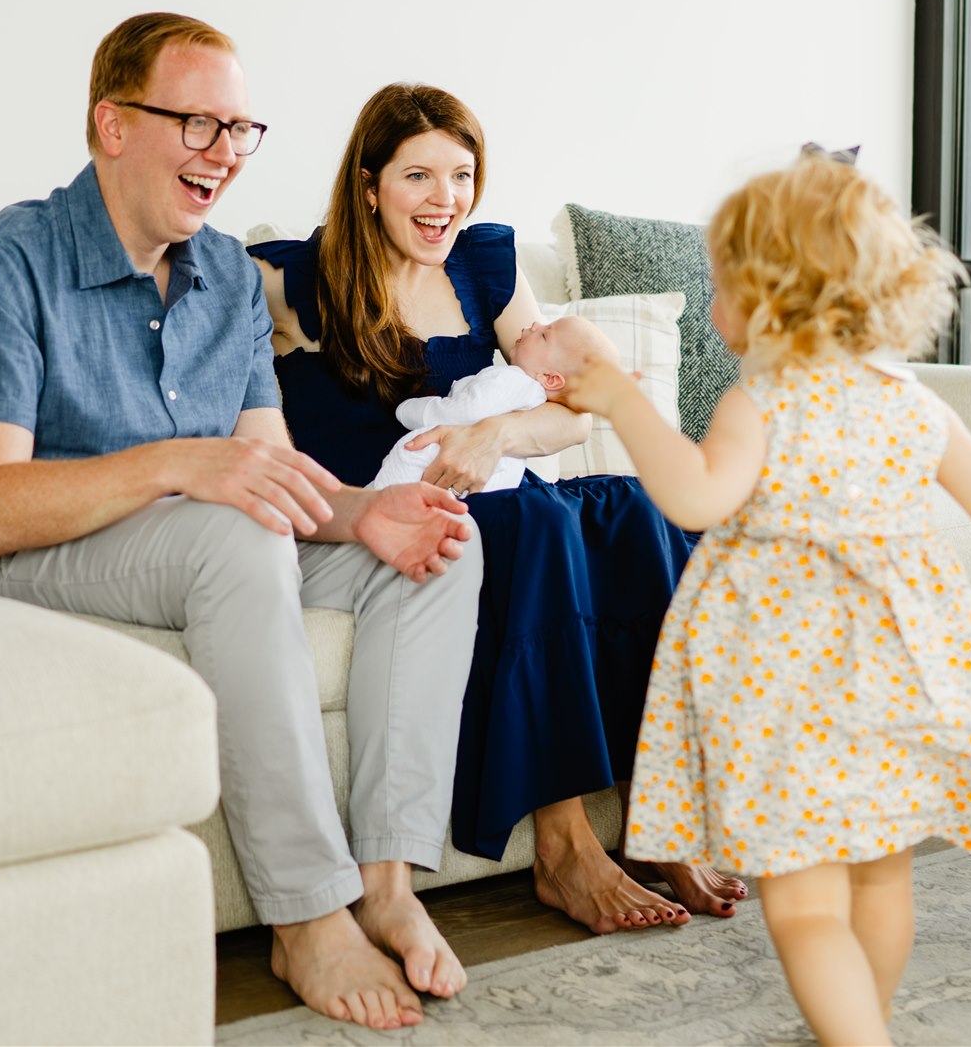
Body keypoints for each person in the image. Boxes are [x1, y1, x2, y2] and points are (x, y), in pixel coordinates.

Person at [0, 14, 481, 1032]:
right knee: (231, 533)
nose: (223, 155)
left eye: (240, 129)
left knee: (434, 545)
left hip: (200, 548)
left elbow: (270, 476)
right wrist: (179, 464)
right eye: (197, 124)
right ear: (113, 124)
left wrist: (364, 515)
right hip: (26, 555)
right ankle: (305, 910)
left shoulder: (226, 281)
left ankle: (386, 881)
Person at [556, 148, 971, 1045]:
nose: (714, 302)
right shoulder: (910, 398)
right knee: (883, 881)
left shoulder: (758, 403)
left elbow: (692, 496)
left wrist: (620, 398)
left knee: (805, 907)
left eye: (720, 283)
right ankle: (864, 1023)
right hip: (901, 679)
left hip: (792, 689)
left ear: (769, 295)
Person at [252, 82, 750, 934]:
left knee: (637, 508)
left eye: (461, 174)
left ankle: (658, 811)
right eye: (417, 176)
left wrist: (497, 434)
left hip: (493, 483)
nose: (444, 199)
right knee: (541, 524)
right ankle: (562, 847)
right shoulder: (290, 280)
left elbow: (576, 393)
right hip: (385, 509)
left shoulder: (486, 261)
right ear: (368, 184)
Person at [370, 316, 593, 491]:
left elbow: (461, 413)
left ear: (551, 379)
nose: (535, 324)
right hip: (489, 486)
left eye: (544, 335)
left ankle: (374, 507)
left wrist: (407, 409)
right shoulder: (535, 399)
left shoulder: (511, 379)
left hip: (445, 461)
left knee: (408, 452)